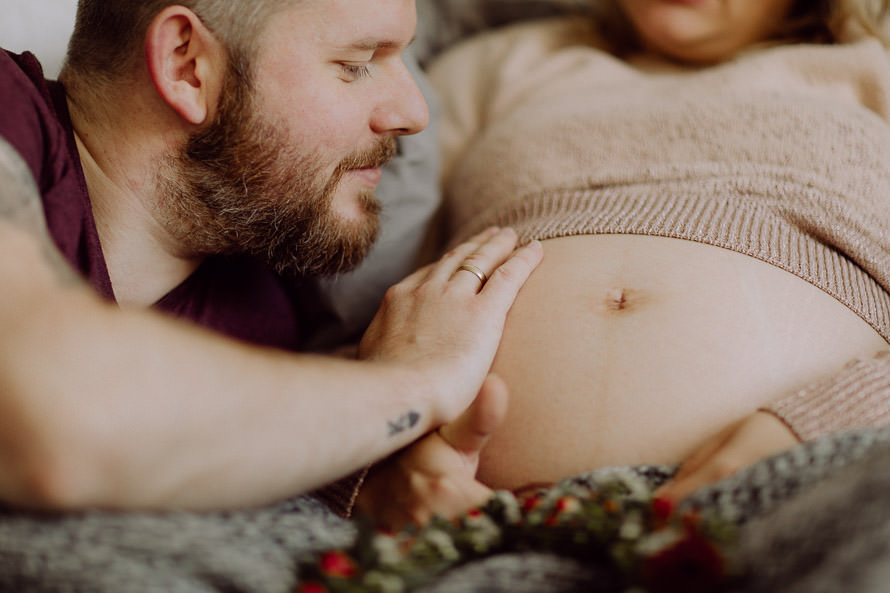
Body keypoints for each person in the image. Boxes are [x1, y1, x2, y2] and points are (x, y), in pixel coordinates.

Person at [356, 0, 890, 527]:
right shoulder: (501, 64)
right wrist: (380, 451)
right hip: (455, 517)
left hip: (821, 485)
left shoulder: (873, 68)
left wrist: (828, 422)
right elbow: (381, 296)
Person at [0, 0, 545, 513]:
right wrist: (415, 387)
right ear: (186, 66)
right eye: (357, 64)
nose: (414, 113)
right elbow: (49, 419)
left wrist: (361, 489)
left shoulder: (278, 289)